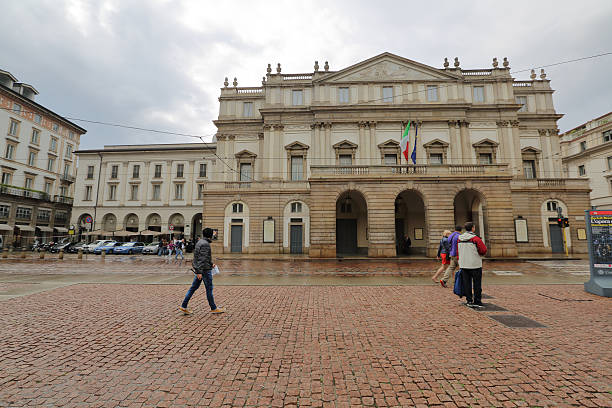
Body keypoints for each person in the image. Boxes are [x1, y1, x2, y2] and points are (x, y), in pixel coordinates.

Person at [179, 228, 225, 315]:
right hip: (204, 270)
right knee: (209, 288)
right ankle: (213, 308)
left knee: (193, 288)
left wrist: (211, 264)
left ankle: (184, 306)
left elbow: (200, 257)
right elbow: (202, 259)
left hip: (201, 268)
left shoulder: (199, 242)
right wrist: (199, 272)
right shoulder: (205, 244)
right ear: (210, 235)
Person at [458, 222, 487, 308]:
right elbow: (483, 250)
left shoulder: (459, 238)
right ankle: (477, 301)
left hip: (463, 264)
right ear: (473, 228)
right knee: (477, 284)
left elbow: (457, 250)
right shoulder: (475, 239)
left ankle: (469, 300)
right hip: (475, 264)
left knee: (467, 283)